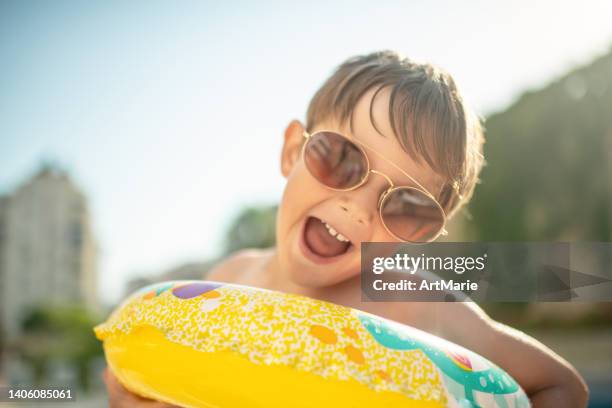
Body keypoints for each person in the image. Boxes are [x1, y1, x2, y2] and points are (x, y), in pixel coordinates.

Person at [104, 51, 588, 407]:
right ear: (293, 150)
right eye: (339, 159)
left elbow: (561, 385)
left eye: (407, 206)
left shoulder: (411, 303)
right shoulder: (231, 279)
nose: (357, 210)